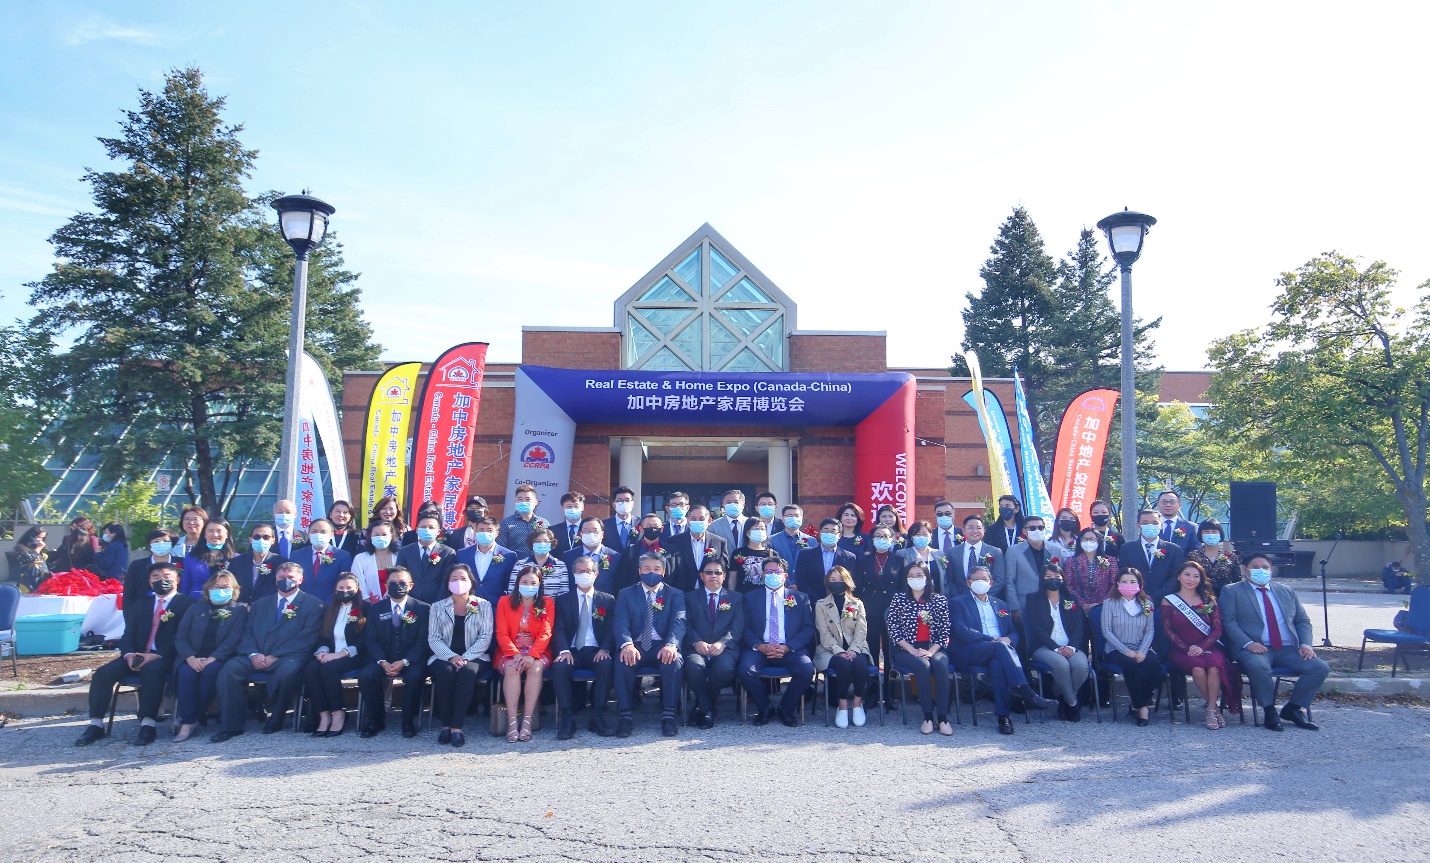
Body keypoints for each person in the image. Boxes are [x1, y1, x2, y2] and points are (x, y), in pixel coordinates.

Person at [76, 562, 195, 746]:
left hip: (167, 656)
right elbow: (129, 633)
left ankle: (148, 724)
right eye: (156, 577)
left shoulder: (188, 604)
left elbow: (182, 637)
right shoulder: (140, 606)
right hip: (138, 654)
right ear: (149, 581)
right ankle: (96, 725)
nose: (161, 581)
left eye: (166, 577)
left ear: (177, 580)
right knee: (102, 674)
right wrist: (129, 654)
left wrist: (158, 655)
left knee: (151, 671)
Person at [211, 561, 325, 742]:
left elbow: (307, 637)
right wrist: (253, 654)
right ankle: (231, 725)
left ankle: (276, 716)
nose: (285, 581)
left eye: (290, 578)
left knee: (286, 674)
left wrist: (274, 656)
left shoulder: (314, 605)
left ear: (301, 579)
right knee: (229, 670)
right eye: (281, 577)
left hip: (289, 656)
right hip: (255, 654)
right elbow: (246, 632)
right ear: (275, 579)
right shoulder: (260, 604)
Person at [1221, 552, 1330, 731]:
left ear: (1271, 570)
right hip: (1254, 648)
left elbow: (1302, 620)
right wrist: (1248, 643)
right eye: (1256, 567)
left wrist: (1306, 644)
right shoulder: (1232, 591)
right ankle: (1269, 710)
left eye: (1265, 567)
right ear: (1245, 569)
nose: (1261, 571)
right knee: (1259, 666)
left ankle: (1293, 709)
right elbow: (1228, 622)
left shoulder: (1286, 591)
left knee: (1319, 667)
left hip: (1288, 649)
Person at [950, 565, 1057, 734]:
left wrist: (1008, 639)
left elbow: (1013, 632)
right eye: (976, 579)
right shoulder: (957, 603)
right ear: (968, 582)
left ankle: (1003, 717)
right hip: (970, 651)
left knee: (999, 664)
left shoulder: (1000, 604)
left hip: (999, 651)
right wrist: (992, 640)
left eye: (984, 579)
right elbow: (961, 631)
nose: (980, 582)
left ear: (991, 582)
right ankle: (1026, 691)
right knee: (1000, 648)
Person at [612, 552, 686, 737]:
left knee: (673, 661)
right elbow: (620, 621)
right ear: (639, 571)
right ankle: (625, 716)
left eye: (656, 569)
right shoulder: (626, 593)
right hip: (636, 645)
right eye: (646, 568)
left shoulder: (675, 594)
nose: (651, 572)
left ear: (663, 571)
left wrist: (671, 644)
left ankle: (669, 716)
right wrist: (626, 645)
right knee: (622, 661)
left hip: (661, 644)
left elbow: (679, 622)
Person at [1162, 561, 1242, 729]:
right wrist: (1187, 648)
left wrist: (1202, 646)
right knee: (1197, 669)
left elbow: (1217, 629)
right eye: (1187, 575)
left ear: (1201, 579)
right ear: (1178, 576)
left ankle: (1211, 710)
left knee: (1214, 667)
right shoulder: (1168, 601)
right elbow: (1168, 630)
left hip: (1208, 646)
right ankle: (1213, 708)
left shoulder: (1209, 600)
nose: (1191, 579)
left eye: (1196, 576)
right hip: (1181, 648)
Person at [737, 556, 815, 728]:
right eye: (768, 572)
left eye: (777, 572)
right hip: (759, 648)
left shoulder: (800, 598)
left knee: (806, 669)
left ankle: (786, 709)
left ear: (785, 576)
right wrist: (759, 645)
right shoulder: (749, 598)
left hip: (789, 648)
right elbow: (743, 627)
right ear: (762, 575)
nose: (773, 575)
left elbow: (808, 628)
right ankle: (765, 708)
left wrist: (788, 647)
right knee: (745, 670)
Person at [173, 569, 249, 742]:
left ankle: (189, 718)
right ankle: (190, 721)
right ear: (208, 589)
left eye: (225, 586)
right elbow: (181, 637)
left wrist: (214, 658)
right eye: (216, 586)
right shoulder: (195, 608)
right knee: (185, 673)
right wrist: (190, 657)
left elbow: (234, 638)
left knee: (210, 671)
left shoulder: (239, 610)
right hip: (193, 657)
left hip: (219, 658)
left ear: (233, 589)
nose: (221, 589)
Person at [357, 566, 429, 738]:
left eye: (402, 583)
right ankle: (376, 719)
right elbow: (371, 639)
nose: (398, 586)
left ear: (410, 586)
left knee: (415, 677)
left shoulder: (423, 608)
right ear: (386, 585)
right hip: (383, 659)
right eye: (393, 583)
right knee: (366, 676)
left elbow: (423, 640)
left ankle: (408, 721)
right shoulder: (376, 609)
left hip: (411, 659)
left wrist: (405, 661)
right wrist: (382, 662)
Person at [429, 564, 495, 746]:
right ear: (447, 583)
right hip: (444, 656)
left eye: (463, 578)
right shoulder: (437, 607)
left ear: (471, 581)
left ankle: (457, 728)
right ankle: (445, 725)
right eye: (454, 579)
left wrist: (465, 657)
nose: (459, 583)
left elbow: (485, 637)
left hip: (475, 656)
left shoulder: (483, 605)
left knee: (467, 672)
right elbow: (434, 638)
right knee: (446, 672)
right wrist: (451, 656)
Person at [552, 555, 617, 738]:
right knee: (559, 667)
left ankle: (597, 717)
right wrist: (564, 650)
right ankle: (567, 718)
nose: (583, 574)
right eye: (580, 571)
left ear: (596, 574)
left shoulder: (607, 599)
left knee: (606, 665)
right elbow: (559, 628)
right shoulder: (564, 600)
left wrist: (605, 649)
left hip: (596, 649)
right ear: (573, 574)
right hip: (571, 650)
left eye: (587, 571)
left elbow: (612, 629)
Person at [885, 561, 954, 735]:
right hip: (906, 649)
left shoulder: (939, 600)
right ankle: (928, 716)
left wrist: (931, 651)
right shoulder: (899, 599)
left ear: (927, 577)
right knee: (922, 665)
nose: (915, 579)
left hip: (934, 648)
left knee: (939, 665)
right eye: (911, 576)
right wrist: (912, 650)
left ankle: (943, 716)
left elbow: (945, 629)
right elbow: (893, 628)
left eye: (919, 575)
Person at [300, 573, 368, 736]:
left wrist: (341, 654)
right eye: (341, 588)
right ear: (335, 589)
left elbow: (366, 640)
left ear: (357, 589)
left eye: (349, 588)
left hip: (355, 656)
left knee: (328, 669)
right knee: (311, 668)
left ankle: (338, 713)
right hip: (331, 653)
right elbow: (323, 636)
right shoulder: (329, 609)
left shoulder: (366, 609)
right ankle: (324, 714)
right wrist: (323, 651)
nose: (344, 591)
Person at [682, 557, 744, 730]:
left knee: (723, 668)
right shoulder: (689, 597)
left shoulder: (736, 598)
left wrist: (722, 644)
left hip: (725, 648)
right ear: (701, 575)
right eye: (709, 572)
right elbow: (685, 624)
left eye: (718, 573)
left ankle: (701, 706)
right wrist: (696, 642)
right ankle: (708, 709)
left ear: (724, 576)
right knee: (694, 667)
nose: (713, 576)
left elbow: (737, 627)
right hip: (696, 647)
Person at [1099, 568, 1165, 726]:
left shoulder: (1147, 603)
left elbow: (1150, 630)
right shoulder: (1109, 603)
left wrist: (1142, 651)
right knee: (1130, 665)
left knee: (1153, 664)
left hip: (1141, 647)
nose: (1128, 585)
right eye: (1124, 581)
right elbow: (1106, 630)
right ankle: (1143, 709)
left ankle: (1137, 703)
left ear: (1139, 584)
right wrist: (1125, 651)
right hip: (1116, 649)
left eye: (1132, 582)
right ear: (1117, 584)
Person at [1023, 563, 1090, 722]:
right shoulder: (1033, 599)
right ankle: (1072, 703)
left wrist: (1072, 647)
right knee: (1062, 665)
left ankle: (1062, 699)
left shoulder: (1071, 598)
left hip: (1070, 645)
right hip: (1044, 646)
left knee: (1081, 666)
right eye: (1048, 577)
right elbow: (1036, 628)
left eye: (1056, 577)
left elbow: (1079, 627)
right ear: (1042, 579)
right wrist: (1056, 648)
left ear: (1062, 579)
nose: (1052, 580)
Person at [814, 565, 872, 728]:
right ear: (828, 582)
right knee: (844, 665)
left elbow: (862, 630)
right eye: (833, 580)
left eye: (840, 579)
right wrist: (839, 651)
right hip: (830, 650)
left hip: (856, 648)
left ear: (847, 582)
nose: (837, 583)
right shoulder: (821, 605)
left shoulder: (857, 603)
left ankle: (858, 702)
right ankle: (842, 705)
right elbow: (823, 633)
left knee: (860, 664)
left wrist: (854, 649)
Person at [1004, 513, 1069, 621]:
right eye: (1032, 528)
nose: (1037, 530)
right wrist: (1014, 607)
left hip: (1052, 602)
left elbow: (1063, 578)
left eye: (1040, 527)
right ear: (1024, 531)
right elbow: (1009, 581)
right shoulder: (1013, 551)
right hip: (1025, 602)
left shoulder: (1056, 550)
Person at [1117, 510, 1186, 601]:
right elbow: (1124, 574)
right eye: (1145, 523)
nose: (1150, 526)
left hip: (1165, 601)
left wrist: (1154, 597)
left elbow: (1175, 577)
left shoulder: (1174, 550)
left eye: (1154, 523)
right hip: (1134, 599)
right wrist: (1139, 595)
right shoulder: (1127, 548)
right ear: (1138, 526)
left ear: (1161, 525)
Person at [453, 515, 518, 606]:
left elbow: (509, 585)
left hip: (495, 606)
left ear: (497, 533)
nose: (485, 533)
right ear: (475, 532)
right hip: (467, 606)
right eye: (481, 530)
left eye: (489, 530)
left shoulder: (509, 556)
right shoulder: (463, 554)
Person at [394, 512, 457, 602]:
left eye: (431, 527)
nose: (427, 530)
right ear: (416, 530)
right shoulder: (405, 551)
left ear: (438, 531)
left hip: (437, 603)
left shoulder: (447, 553)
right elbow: (400, 578)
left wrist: (436, 604)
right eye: (423, 527)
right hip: (410, 604)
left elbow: (445, 582)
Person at [667, 503, 729, 593]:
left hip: (709, 592)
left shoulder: (719, 542)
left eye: (701, 519)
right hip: (682, 592)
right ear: (688, 521)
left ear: (709, 521)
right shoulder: (674, 541)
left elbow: (724, 569)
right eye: (693, 519)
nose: (697, 522)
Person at [794, 518, 859, 600]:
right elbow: (801, 580)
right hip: (811, 602)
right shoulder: (806, 554)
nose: (829, 533)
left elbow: (851, 582)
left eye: (833, 531)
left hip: (838, 603)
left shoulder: (849, 557)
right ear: (820, 533)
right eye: (826, 530)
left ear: (839, 535)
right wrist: (816, 599)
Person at [944, 515, 1005, 600]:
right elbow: (949, 579)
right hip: (961, 601)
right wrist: (959, 598)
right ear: (963, 531)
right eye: (970, 528)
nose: (975, 531)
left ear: (984, 531)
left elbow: (999, 579)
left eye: (978, 528)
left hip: (987, 600)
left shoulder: (995, 552)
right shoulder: (952, 552)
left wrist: (983, 596)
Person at [559, 516, 622, 594]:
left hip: (605, 603)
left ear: (602, 534)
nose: (591, 534)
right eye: (586, 531)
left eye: (595, 531)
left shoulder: (615, 557)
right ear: (580, 534)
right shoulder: (568, 556)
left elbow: (618, 584)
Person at [294, 518, 353, 600]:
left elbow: (343, 583)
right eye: (314, 531)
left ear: (331, 535)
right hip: (302, 604)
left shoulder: (342, 556)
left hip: (330, 604)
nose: (318, 535)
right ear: (309, 533)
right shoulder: (297, 555)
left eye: (323, 532)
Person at [613, 514, 672, 593]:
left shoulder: (672, 551)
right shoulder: (630, 551)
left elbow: (678, 578)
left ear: (661, 529)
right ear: (641, 529)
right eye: (648, 526)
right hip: (635, 597)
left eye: (656, 526)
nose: (653, 529)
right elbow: (623, 578)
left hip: (666, 596)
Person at [1184, 518, 1243, 596]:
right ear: (1201, 534)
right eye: (1206, 532)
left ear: (1220, 534)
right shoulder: (1193, 556)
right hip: (1200, 598)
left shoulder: (1230, 556)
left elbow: (1237, 581)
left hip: (1226, 598)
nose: (1210, 534)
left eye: (1214, 532)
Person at [230, 523, 287, 604]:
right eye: (257, 537)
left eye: (266, 537)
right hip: (241, 609)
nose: (261, 540)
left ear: (273, 540)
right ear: (250, 540)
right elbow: (231, 586)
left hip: (268, 608)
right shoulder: (236, 562)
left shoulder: (281, 563)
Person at [180, 517, 235, 598]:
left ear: (227, 534)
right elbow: (185, 585)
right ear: (204, 534)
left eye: (219, 531)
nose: (215, 534)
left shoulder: (236, 558)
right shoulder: (192, 557)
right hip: (197, 603)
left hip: (227, 605)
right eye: (211, 531)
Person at [893, 520, 950, 597]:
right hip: (912, 599)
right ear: (911, 537)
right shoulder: (902, 554)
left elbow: (944, 580)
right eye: (917, 534)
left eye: (925, 534)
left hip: (937, 599)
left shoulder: (939, 554)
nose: (921, 537)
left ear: (930, 535)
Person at [122, 529, 180, 605]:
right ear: (150, 544)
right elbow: (128, 593)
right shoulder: (137, 565)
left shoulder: (182, 563)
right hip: (143, 610)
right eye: (156, 541)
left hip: (177, 610)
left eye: (166, 541)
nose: (161, 544)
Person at [1065, 527, 1118, 610]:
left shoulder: (1111, 561)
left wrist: (1100, 604)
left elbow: (1114, 585)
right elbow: (1069, 586)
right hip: (1079, 608)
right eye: (1085, 539)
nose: (1088, 542)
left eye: (1092, 539)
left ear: (1098, 541)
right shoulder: (1071, 561)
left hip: (1104, 608)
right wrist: (1082, 604)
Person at [512, 526, 572, 597]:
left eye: (546, 541)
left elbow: (563, 593)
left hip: (552, 607)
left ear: (551, 543)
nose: (542, 544)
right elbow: (512, 591)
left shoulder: (560, 566)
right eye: (538, 541)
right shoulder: (520, 565)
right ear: (532, 543)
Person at [350, 519, 397, 603]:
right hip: (367, 606)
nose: (380, 537)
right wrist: (368, 604)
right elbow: (358, 583)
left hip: (395, 604)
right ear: (370, 536)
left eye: (384, 534)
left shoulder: (399, 557)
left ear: (392, 536)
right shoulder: (360, 558)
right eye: (376, 535)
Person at [496, 483, 548, 551]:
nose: (523, 502)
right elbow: (500, 549)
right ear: (515, 501)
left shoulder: (544, 523)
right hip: (515, 561)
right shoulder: (506, 523)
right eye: (520, 499)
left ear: (536, 502)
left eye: (527, 499)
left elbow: (548, 546)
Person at [731, 516, 775, 593]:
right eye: (757, 529)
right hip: (743, 595)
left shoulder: (771, 553)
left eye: (763, 529)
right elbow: (732, 578)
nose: (760, 531)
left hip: (764, 595)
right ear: (748, 532)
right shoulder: (738, 553)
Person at [11, 526, 51, 592]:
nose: (40, 540)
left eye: (42, 538)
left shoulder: (42, 549)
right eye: (38, 537)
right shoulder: (21, 548)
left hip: (42, 577)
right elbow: (30, 558)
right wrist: (38, 549)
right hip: (29, 578)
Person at [553, 490, 588, 556]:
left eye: (576, 506)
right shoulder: (553, 530)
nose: (573, 509)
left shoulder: (589, 529)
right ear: (563, 508)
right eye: (569, 506)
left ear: (582, 507)